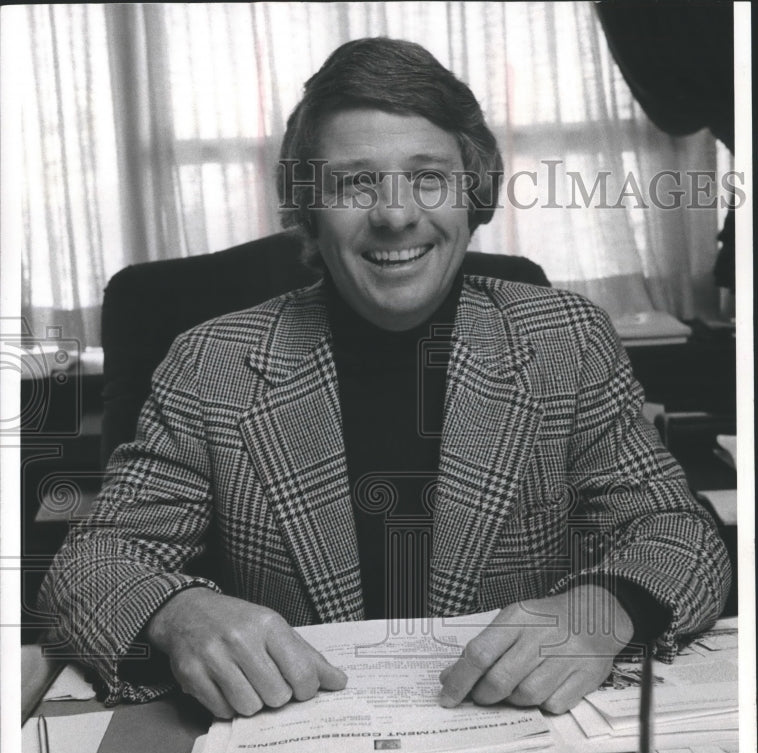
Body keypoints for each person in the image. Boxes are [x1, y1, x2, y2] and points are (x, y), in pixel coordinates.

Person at [39, 37, 730, 718]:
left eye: (428, 176)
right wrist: (178, 612)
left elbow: (682, 534)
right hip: (290, 749)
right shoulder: (210, 364)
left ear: (473, 193)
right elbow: (88, 566)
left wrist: (602, 607)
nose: (396, 215)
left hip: (514, 734)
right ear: (308, 207)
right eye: (355, 181)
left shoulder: (565, 341)